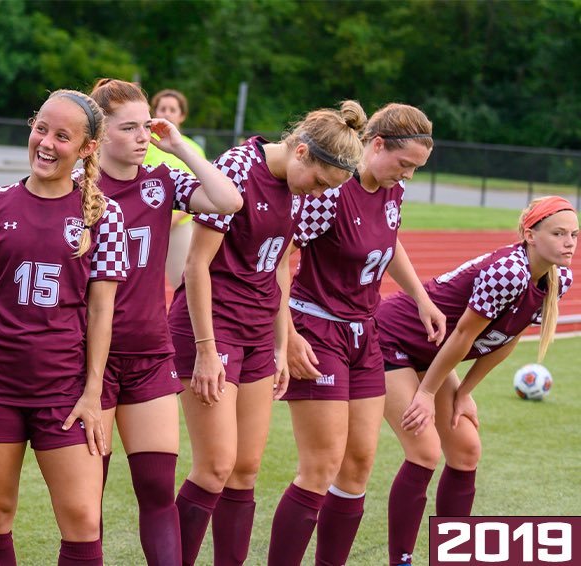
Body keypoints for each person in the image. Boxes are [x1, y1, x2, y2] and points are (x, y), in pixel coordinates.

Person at [169, 101, 365, 566]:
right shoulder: (238, 167)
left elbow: (278, 263)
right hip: (212, 329)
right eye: (318, 181)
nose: (317, 193)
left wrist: (282, 341)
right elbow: (196, 265)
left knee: (244, 470)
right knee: (214, 467)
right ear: (301, 152)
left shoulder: (303, 191)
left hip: (259, 333)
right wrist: (205, 350)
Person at [266, 104, 443, 566]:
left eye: (416, 169)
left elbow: (389, 239)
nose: (407, 176)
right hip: (316, 329)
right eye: (404, 164)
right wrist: (287, 334)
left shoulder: (393, 188)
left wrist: (422, 298)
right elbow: (279, 256)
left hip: (366, 331)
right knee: (320, 466)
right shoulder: (330, 190)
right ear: (376, 144)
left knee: (359, 465)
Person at [86, 78, 242, 565]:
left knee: (157, 491)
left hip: (151, 356)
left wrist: (178, 147)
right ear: (99, 136)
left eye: (144, 126)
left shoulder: (160, 178)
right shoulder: (79, 189)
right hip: (90, 360)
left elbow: (228, 201)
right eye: (128, 128)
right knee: (86, 502)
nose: (141, 136)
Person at [0, 89, 126, 566]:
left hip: (64, 389)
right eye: (42, 129)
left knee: (82, 518)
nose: (47, 143)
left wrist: (93, 392)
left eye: (63, 136)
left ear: (87, 148)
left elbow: (102, 313)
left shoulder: (102, 215)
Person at [377, 196, 576, 566]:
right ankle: (400, 560)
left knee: (466, 449)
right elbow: (463, 337)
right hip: (391, 338)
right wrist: (427, 393)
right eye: (559, 233)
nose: (569, 242)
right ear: (530, 235)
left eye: (574, 235)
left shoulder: (558, 277)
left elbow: (507, 339)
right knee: (424, 451)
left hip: (432, 352)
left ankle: (451, 555)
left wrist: (465, 392)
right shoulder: (509, 271)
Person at [143, 89, 207, 288]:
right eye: (162, 109)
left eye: (172, 109)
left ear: (182, 115)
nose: (167, 113)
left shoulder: (192, 149)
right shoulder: (144, 144)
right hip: (143, 223)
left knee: (184, 282)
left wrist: (173, 218)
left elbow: (200, 188)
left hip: (178, 226)